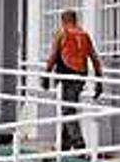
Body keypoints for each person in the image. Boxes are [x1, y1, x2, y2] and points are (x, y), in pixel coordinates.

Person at [42, 9, 103, 150]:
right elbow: (95, 58)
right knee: (69, 107)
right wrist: (99, 82)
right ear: (75, 20)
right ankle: (64, 143)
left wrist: (46, 76)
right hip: (81, 76)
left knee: (68, 110)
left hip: (68, 75)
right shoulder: (84, 35)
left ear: (63, 20)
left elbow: (52, 56)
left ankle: (78, 142)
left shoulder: (62, 33)